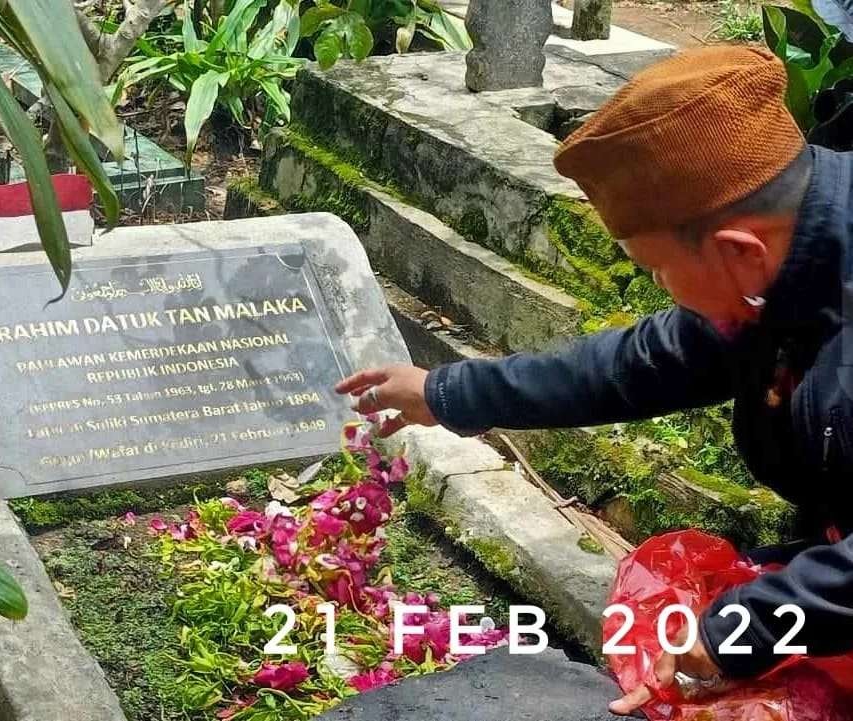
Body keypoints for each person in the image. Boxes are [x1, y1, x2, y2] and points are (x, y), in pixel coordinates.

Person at [335, 45, 853, 714]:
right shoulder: (787, 266)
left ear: (738, 253)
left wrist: (739, 631)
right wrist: (445, 393)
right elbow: (645, 362)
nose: (662, 294)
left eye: (657, 273)